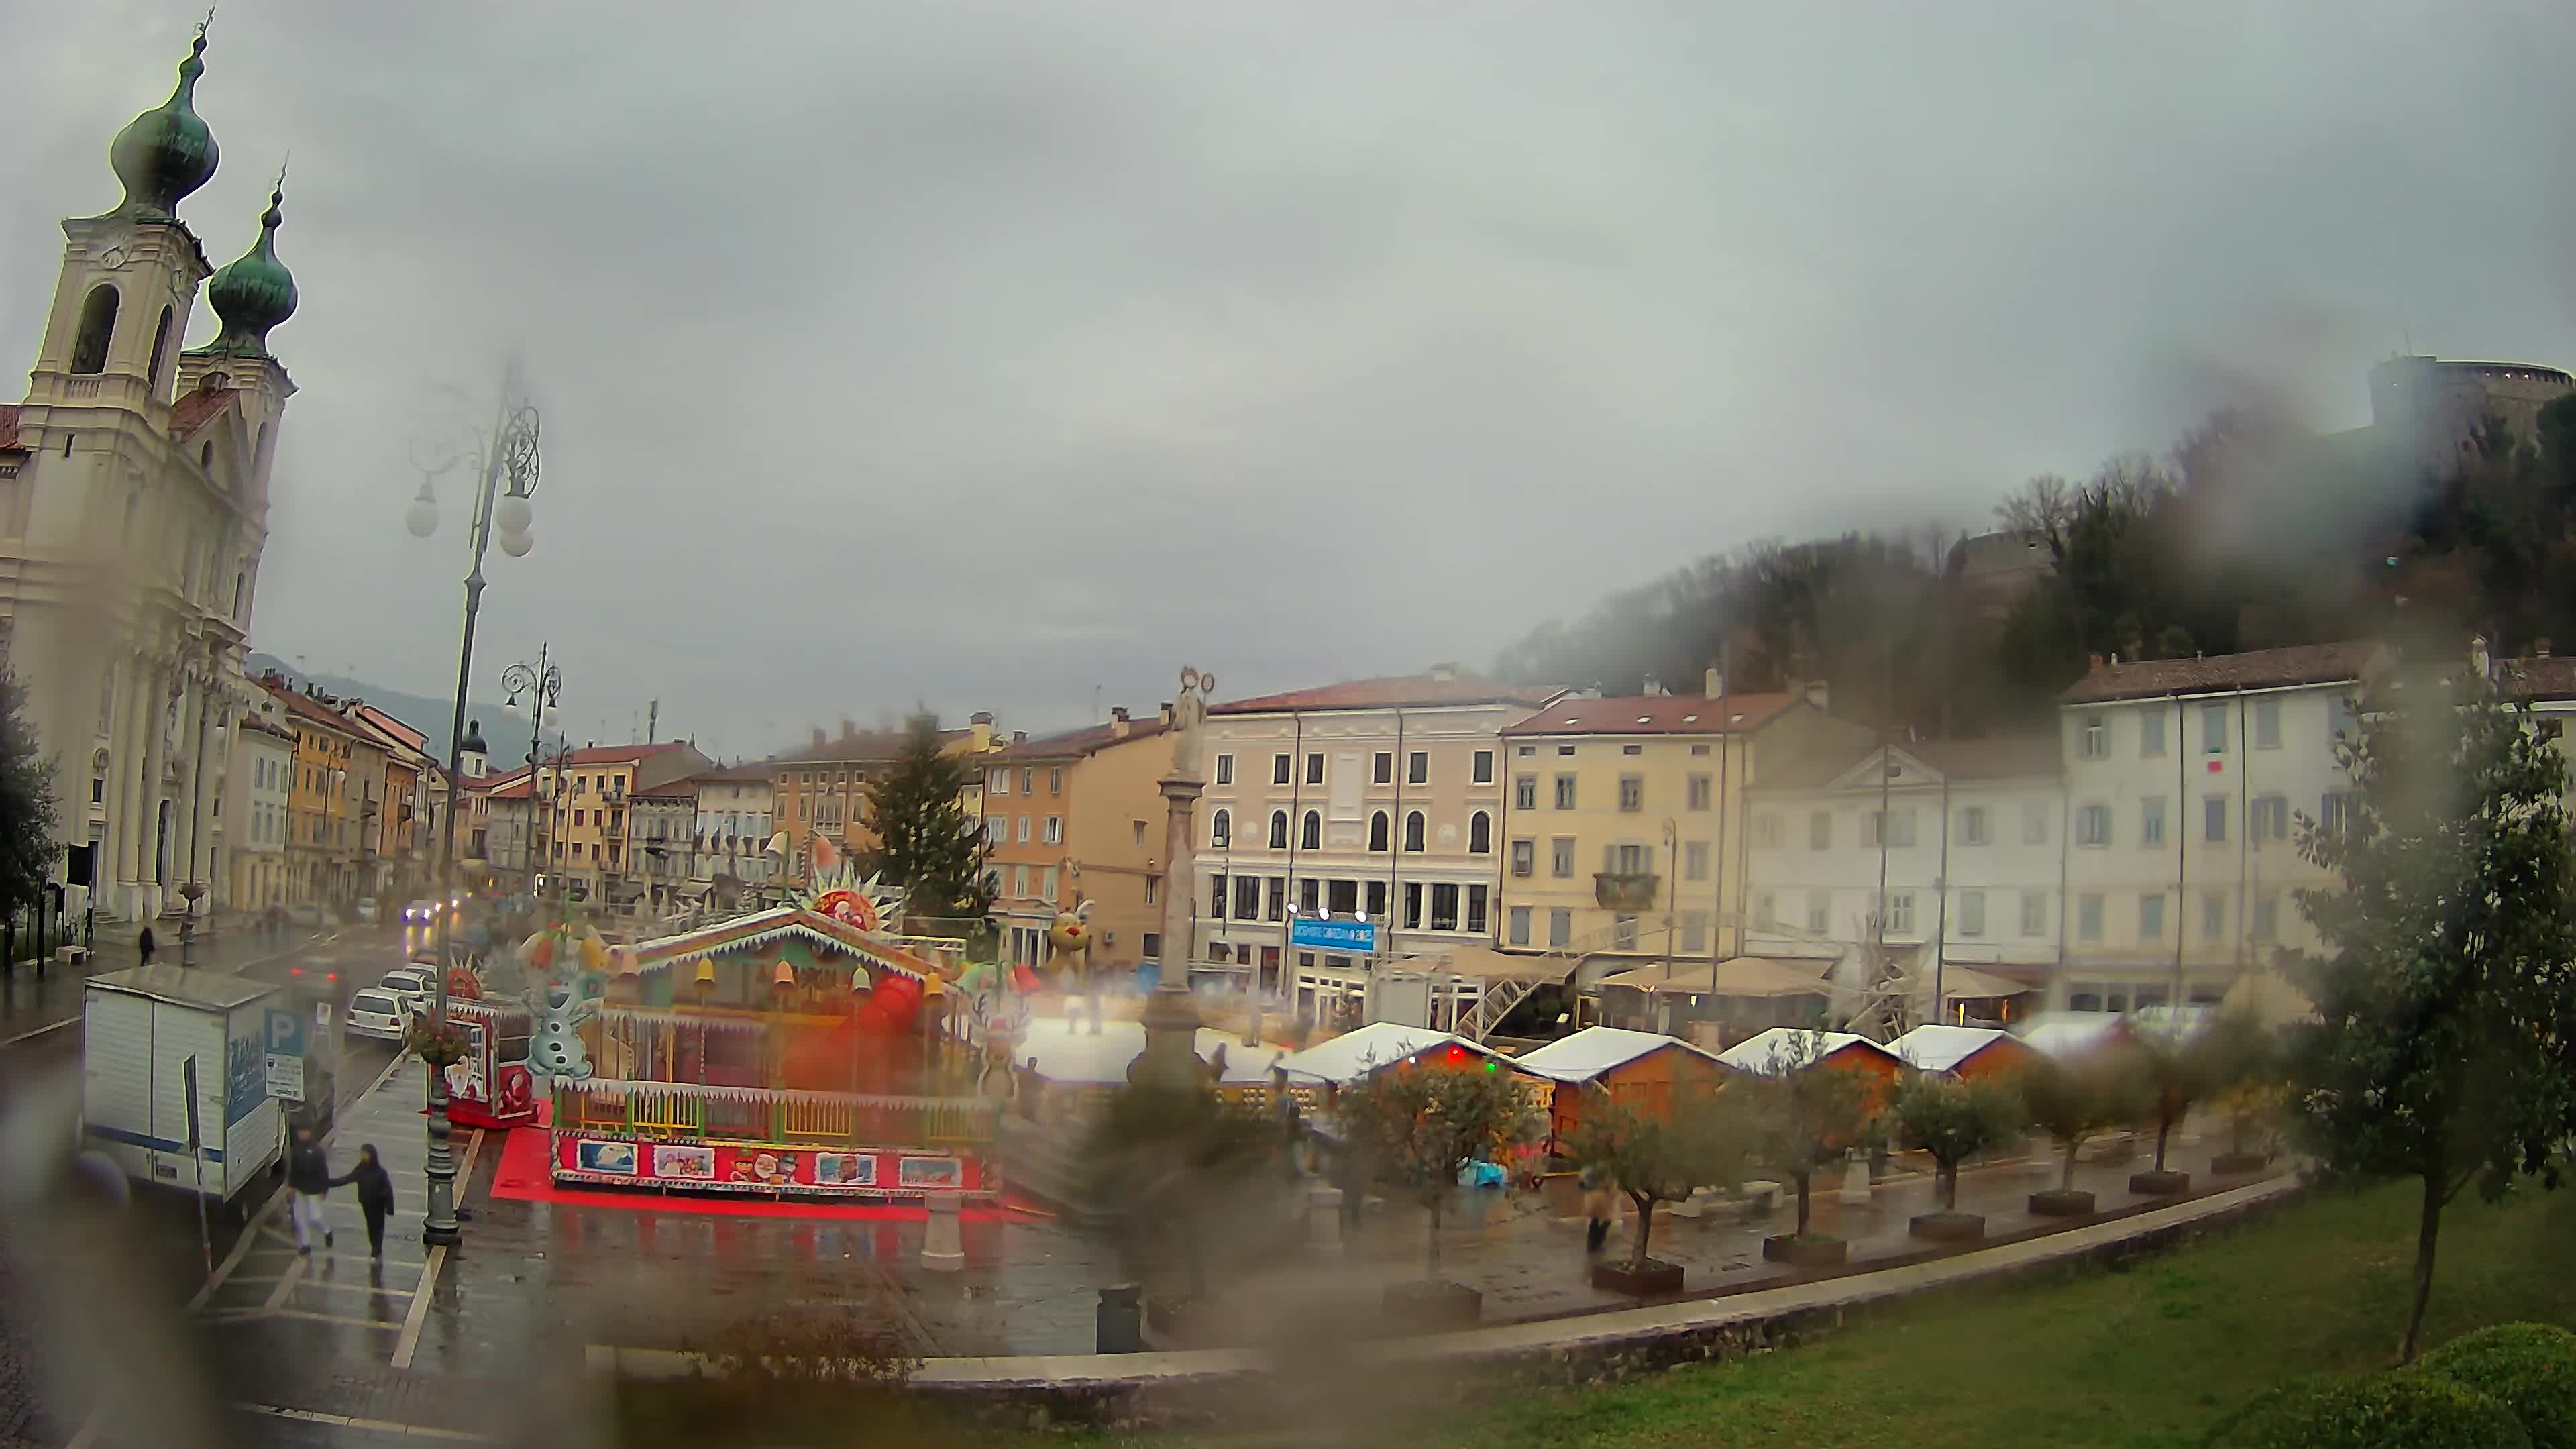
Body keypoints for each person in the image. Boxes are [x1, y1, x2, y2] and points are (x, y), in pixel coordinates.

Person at [335, 1144, 394, 1260]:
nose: (363, 1156)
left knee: (378, 1227)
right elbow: (347, 1179)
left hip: (378, 1205)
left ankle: (376, 1251)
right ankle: (375, 1248)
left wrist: (389, 1208)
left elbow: (388, 1190)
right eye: (362, 1154)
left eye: (365, 1154)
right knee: (371, 1227)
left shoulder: (381, 1172)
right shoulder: (361, 1168)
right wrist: (329, 1183)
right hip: (367, 1204)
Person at [285, 1125, 335, 1255]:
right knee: (300, 1218)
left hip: (314, 1189)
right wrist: (291, 1186)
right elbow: (294, 1170)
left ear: (309, 1133)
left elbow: (323, 1172)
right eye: (300, 1132)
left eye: (304, 1132)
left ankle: (326, 1231)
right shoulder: (296, 1150)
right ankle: (305, 1245)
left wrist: (324, 1190)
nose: (302, 1134)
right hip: (300, 1188)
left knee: (315, 1217)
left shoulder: (317, 1151)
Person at [1580, 1164, 1617, 1256]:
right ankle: (1597, 1242)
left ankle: (1593, 1243)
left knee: (1596, 1219)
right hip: (1601, 1195)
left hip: (1593, 1196)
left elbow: (1582, 1183)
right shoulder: (1602, 1169)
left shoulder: (1589, 1168)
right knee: (1605, 1219)